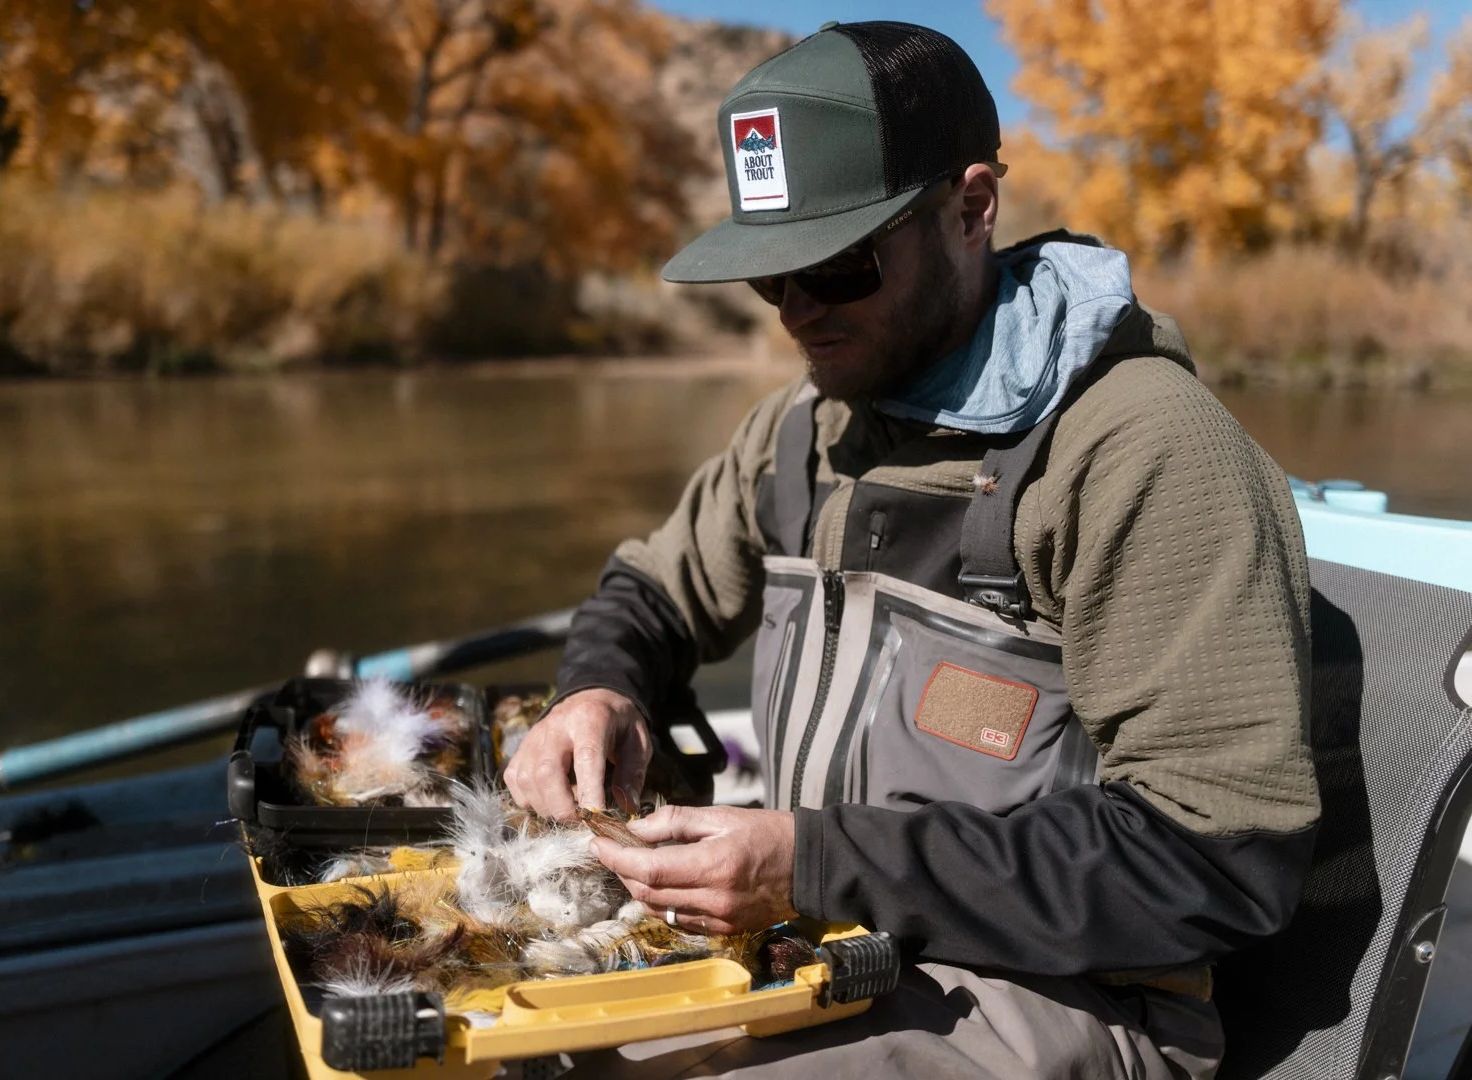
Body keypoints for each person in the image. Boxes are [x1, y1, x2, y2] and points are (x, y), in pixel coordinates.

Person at [504, 20, 1319, 1080]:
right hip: (821, 942)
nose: (796, 312)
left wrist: (820, 866)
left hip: (1070, 998)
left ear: (972, 208)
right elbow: (654, 589)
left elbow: (1220, 858)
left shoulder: (1145, 451)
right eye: (769, 278)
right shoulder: (804, 428)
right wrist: (599, 693)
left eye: (835, 265)